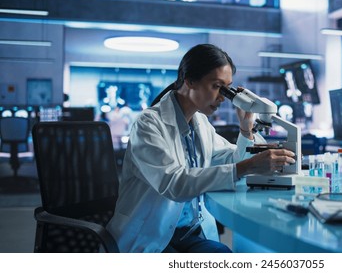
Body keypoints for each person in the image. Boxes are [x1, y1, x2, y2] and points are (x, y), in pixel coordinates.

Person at [105, 44, 296, 253]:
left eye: (227, 88)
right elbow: (174, 184)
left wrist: (245, 130)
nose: (223, 97)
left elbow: (232, 160)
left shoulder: (201, 123)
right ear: (190, 81)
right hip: (151, 237)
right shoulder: (148, 124)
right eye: (216, 86)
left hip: (189, 233)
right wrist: (248, 165)